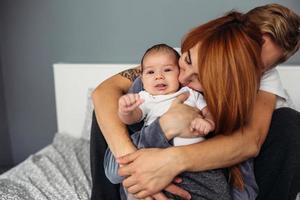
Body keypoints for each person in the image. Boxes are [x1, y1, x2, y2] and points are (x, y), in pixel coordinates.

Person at [90, 3, 300, 200]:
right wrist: (135, 169)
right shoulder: (178, 56)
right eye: (187, 61)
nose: (182, 78)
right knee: (116, 106)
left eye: (255, 63)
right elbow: (104, 93)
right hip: (149, 148)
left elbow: (248, 142)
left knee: (290, 123)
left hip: (207, 159)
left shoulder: (262, 81)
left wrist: (169, 162)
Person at [104, 44, 232, 200]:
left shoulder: (190, 93)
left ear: (179, 73)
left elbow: (208, 112)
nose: (159, 76)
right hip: (156, 154)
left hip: (194, 160)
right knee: (136, 191)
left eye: (167, 70)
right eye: (150, 72)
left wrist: (209, 123)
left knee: (219, 191)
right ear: (142, 80)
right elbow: (134, 117)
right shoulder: (146, 97)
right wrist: (125, 110)